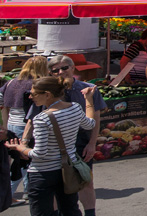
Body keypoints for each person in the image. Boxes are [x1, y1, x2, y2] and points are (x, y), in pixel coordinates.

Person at [6, 76, 96, 216]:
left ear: (47, 94)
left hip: (43, 174)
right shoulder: (75, 108)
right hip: (67, 170)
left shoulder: (42, 118)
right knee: (70, 209)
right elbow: (90, 124)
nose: (30, 97)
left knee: (42, 212)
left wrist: (20, 148)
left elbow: (39, 154)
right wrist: (88, 99)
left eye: (34, 94)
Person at [34, 56, 106, 216]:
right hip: (52, 146)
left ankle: (90, 213)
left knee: (85, 180)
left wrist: (92, 143)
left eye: (65, 68)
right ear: (50, 73)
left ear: (73, 68)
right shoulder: (46, 92)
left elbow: (96, 119)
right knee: (55, 183)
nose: (61, 72)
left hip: (81, 142)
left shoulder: (89, 89)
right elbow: (34, 119)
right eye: (55, 70)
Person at [2, 56, 49, 202]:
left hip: (11, 123)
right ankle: (8, 194)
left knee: (20, 160)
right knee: (23, 162)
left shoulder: (11, 82)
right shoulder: (36, 85)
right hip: (27, 125)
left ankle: (29, 192)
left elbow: (2, 100)